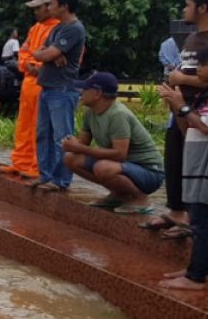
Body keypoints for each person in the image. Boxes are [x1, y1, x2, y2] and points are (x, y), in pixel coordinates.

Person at [144, 0, 208, 240]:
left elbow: (203, 78)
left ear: (202, 7)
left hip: (200, 112)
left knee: (196, 167)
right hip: (180, 107)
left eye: (188, 4)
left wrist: (180, 78)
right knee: (174, 158)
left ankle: (194, 223)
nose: (184, 9)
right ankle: (176, 211)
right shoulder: (192, 38)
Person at [61, 72, 164, 213]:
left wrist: (78, 147)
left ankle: (140, 199)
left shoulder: (118, 115)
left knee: (103, 167)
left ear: (97, 93)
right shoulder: (90, 113)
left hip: (149, 172)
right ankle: (118, 194)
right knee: (71, 159)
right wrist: (71, 144)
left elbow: (119, 154)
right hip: (122, 166)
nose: (81, 92)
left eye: (85, 89)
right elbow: (82, 144)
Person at [158, 46, 208, 291]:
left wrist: (182, 106)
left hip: (206, 170)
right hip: (200, 166)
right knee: (198, 217)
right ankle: (197, 268)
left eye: (203, 64)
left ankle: (195, 276)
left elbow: (206, 127)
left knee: (201, 219)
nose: (198, 70)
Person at [31, 0, 86, 192]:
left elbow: (44, 54)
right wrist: (49, 53)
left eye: (52, 3)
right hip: (48, 87)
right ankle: (46, 175)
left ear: (64, 6)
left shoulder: (73, 28)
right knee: (43, 134)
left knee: (62, 138)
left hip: (62, 89)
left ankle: (61, 180)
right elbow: (39, 51)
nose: (48, 7)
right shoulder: (57, 28)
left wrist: (49, 54)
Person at [0, 0, 58, 179]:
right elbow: (24, 51)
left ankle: (36, 164)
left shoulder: (58, 28)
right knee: (23, 124)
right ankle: (20, 162)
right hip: (28, 83)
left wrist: (37, 65)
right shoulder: (35, 29)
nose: (35, 12)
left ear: (49, 6)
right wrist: (27, 64)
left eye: (38, 8)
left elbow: (53, 55)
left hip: (43, 83)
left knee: (38, 127)